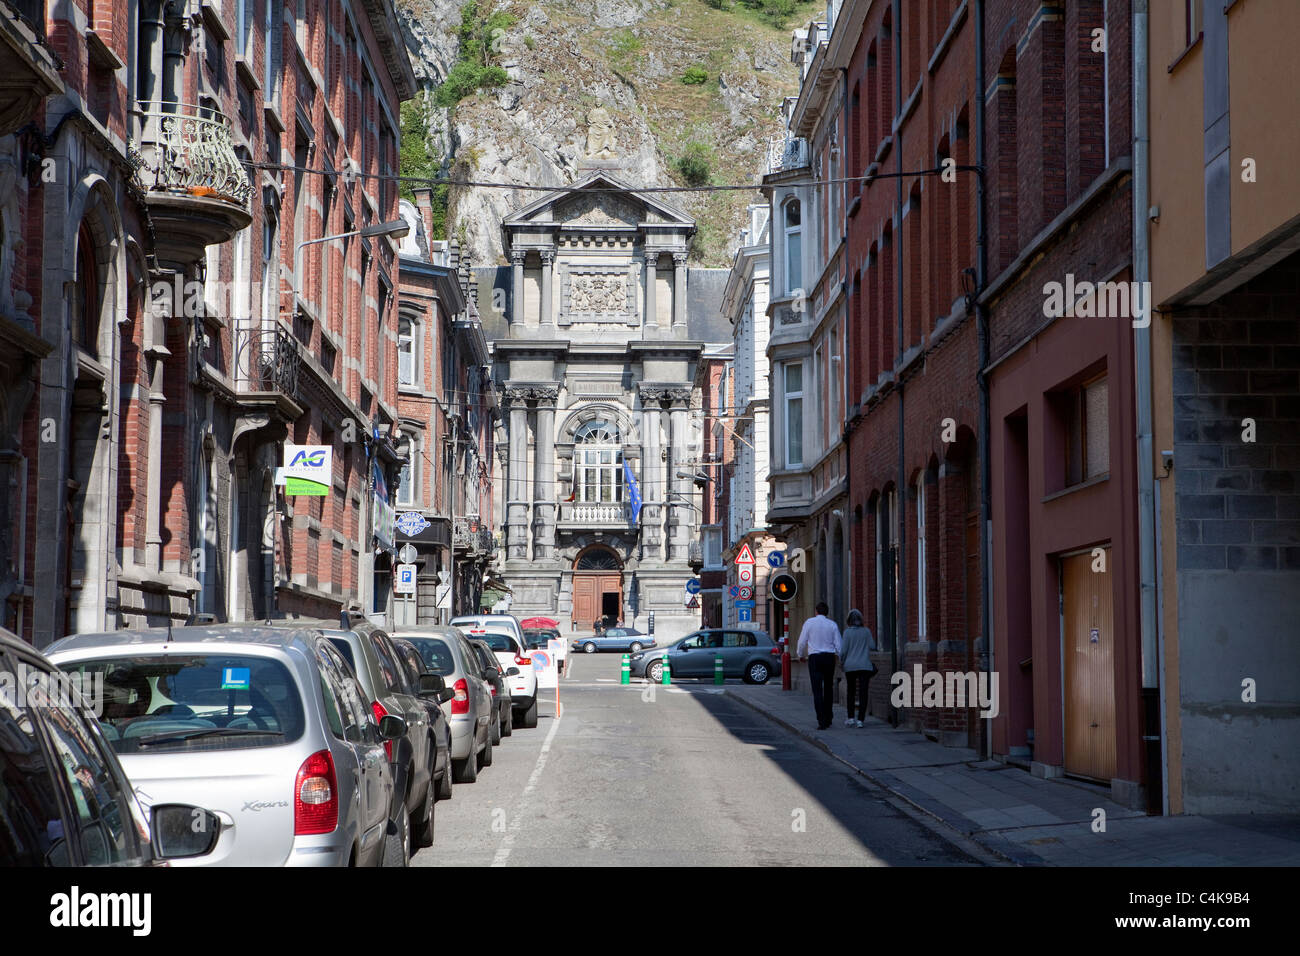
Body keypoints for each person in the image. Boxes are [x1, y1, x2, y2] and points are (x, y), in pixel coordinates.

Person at [796, 601, 842, 730]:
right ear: (827, 612)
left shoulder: (809, 623)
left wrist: (800, 654)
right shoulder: (832, 625)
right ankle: (829, 717)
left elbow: (802, 641)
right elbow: (839, 644)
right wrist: (839, 656)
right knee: (828, 688)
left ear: (816, 611)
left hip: (815, 658)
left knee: (817, 690)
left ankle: (821, 720)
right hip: (829, 657)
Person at [840, 609, 877, 727]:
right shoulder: (866, 631)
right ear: (860, 620)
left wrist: (842, 662)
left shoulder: (847, 633)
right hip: (864, 665)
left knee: (851, 691)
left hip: (850, 666)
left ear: (849, 621)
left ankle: (850, 718)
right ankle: (861, 719)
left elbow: (844, 651)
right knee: (863, 692)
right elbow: (872, 646)